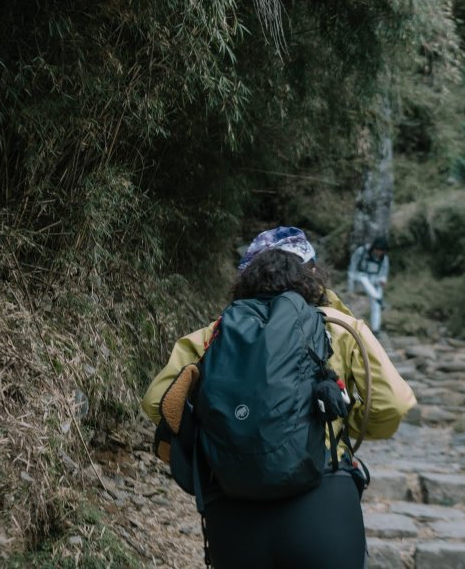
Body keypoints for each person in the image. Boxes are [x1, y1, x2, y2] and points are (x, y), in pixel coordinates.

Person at [142, 226, 415, 569]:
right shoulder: (341, 327)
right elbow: (393, 403)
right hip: (324, 498)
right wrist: (346, 424)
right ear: (312, 273)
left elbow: (157, 402)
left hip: (232, 505)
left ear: (246, 279)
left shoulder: (216, 333)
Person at [347, 236, 390, 333]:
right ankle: (379, 298)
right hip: (360, 277)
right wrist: (350, 288)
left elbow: (384, 273)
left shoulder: (384, 258)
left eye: (382, 251)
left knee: (376, 307)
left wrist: (383, 280)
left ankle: (375, 329)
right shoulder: (361, 252)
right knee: (363, 278)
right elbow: (352, 268)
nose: (379, 253)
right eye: (378, 250)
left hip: (375, 280)